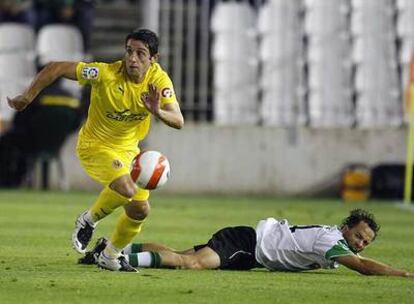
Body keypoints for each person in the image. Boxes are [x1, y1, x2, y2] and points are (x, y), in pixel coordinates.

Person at [7, 29, 184, 272]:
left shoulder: (158, 80)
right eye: (129, 51)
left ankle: (110, 255)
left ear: (154, 58)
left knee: (140, 210)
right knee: (127, 188)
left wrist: (158, 111)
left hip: (128, 152)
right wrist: (27, 97)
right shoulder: (104, 73)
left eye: (141, 54)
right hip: (95, 146)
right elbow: (56, 68)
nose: (132, 58)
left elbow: (178, 120)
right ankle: (88, 220)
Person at [80, 209, 414, 277]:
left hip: (251, 253)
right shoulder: (332, 241)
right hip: (248, 243)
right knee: (191, 264)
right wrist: (402, 274)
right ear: (345, 229)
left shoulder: (331, 239)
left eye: (366, 241)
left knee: (180, 255)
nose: (361, 245)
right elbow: (365, 269)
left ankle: (113, 248)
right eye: (358, 236)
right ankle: (116, 259)